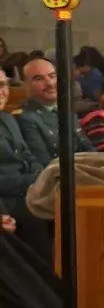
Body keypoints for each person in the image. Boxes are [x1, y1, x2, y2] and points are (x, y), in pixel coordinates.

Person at [0, 70, 47, 261]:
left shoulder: (8, 118)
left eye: (3, 85)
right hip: (8, 198)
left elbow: (27, 155)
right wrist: (35, 180)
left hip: (27, 190)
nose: (2, 91)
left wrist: (40, 174)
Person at [17, 58, 95, 164]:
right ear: (25, 85)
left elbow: (88, 148)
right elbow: (46, 164)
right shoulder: (26, 118)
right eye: (39, 78)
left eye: (52, 76)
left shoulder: (65, 110)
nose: (50, 83)